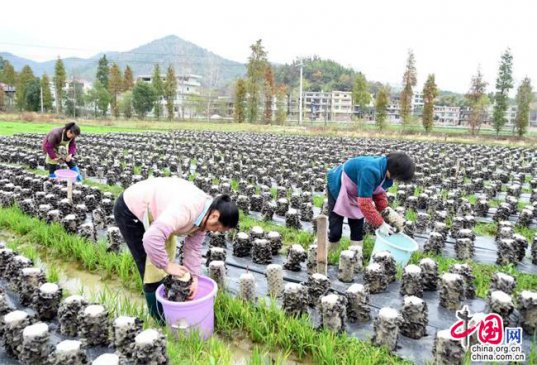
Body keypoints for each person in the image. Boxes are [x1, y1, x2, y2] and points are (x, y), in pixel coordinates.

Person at [113, 177, 239, 321]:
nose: (215, 231)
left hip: (160, 215)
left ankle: (171, 308)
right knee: (151, 270)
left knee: (166, 264)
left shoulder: (205, 217)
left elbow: (193, 249)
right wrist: (166, 265)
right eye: (217, 227)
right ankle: (159, 320)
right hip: (131, 209)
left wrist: (194, 277)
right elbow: (151, 238)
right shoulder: (187, 209)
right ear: (215, 215)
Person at [326, 152, 415, 251]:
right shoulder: (370, 170)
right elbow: (365, 204)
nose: (397, 180)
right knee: (336, 225)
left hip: (357, 191)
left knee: (357, 223)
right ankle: (332, 251)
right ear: (394, 172)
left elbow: (378, 192)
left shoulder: (386, 172)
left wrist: (387, 213)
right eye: (398, 178)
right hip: (339, 185)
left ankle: (355, 254)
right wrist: (380, 224)